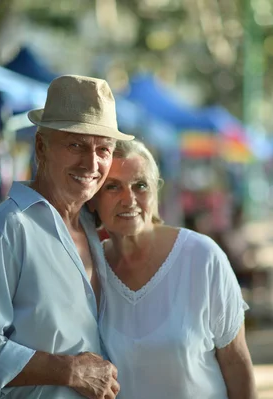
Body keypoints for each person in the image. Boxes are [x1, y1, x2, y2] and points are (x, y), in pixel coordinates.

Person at [0, 75, 134, 399]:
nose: (91, 163)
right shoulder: (7, 228)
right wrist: (69, 370)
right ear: (41, 147)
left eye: (103, 149)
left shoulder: (95, 230)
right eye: (76, 145)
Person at [89, 140, 257, 399]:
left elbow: (236, 361)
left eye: (140, 185)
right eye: (113, 187)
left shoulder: (202, 257)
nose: (129, 199)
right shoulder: (90, 269)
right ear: (93, 200)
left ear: (155, 192)